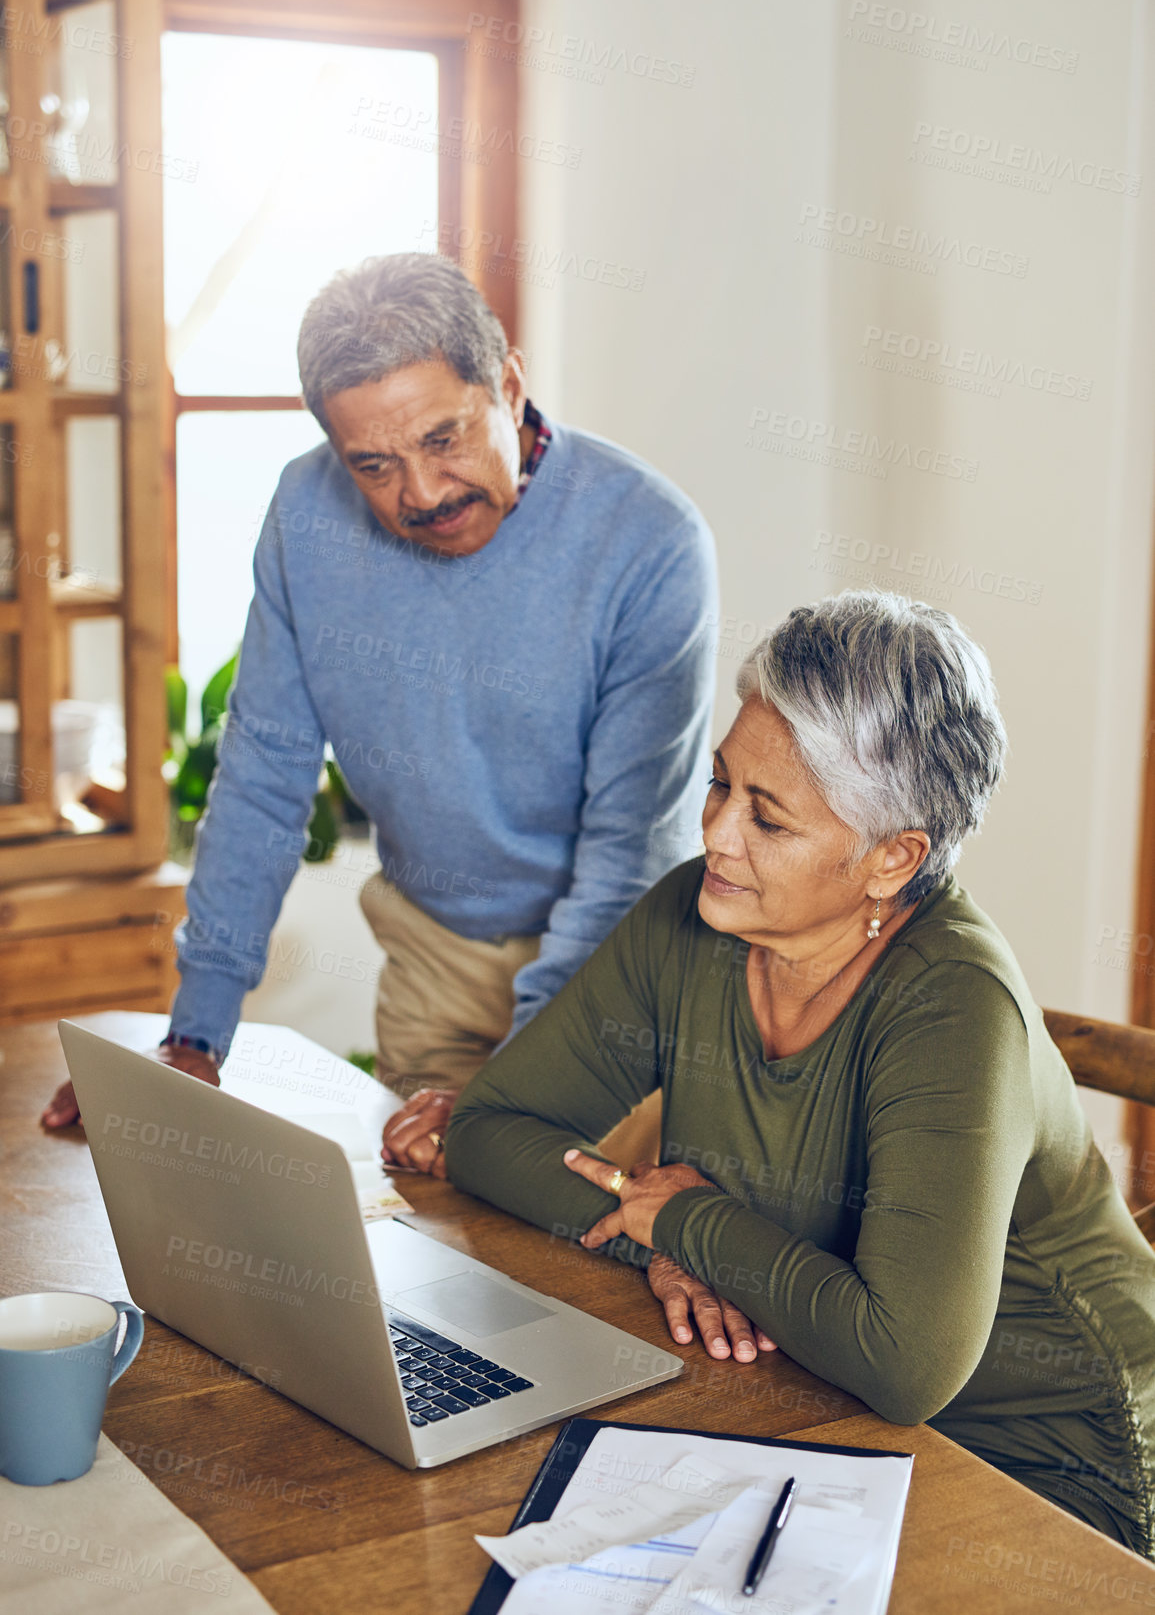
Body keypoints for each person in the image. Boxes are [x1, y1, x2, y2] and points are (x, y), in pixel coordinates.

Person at [446, 589, 1155, 1555]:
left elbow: (904, 1362)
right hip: (815, 1397)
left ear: (889, 859)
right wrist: (660, 1241)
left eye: (767, 819)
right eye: (718, 784)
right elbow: (490, 1130)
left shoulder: (951, 1006)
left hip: (1048, 1465)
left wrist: (691, 1219)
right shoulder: (692, 917)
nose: (716, 833)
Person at [42, 254, 717, 1166]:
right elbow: (263, 776)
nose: (423, 493)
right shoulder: (305, 511)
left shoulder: (650, 543)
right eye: (374, 464)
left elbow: (625, 859)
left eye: (445, 439)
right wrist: (190, 1042)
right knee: (431, 1259)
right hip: (432, 954)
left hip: (617, 977)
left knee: (590, 1282)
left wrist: (507, 1095)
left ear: (509, 385)